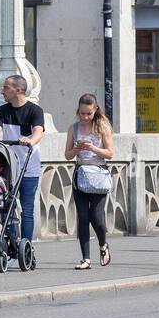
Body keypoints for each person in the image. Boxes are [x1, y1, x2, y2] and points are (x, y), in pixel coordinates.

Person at [0, 75, 44, 245]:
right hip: (9, 168)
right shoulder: (2, 111)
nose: (2, 91)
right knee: (6, 207)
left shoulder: (35, 111)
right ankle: (12, 243)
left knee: (26, 210)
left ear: (18, 90)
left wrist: (30, 141)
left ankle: (26, 246)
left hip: (29, 167)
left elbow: (38, 131)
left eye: (5, 87)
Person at [63, 94, 114, 270]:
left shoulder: (102, 127)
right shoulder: (73, 128)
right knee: (83, 217)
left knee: (97, 218)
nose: (85, 117)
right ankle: (86, 258)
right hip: (81, 175)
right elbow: (67, 155)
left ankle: (103, 245)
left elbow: (110, 153)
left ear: (95, 111)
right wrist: (77, 148)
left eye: (89, 113)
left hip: (99, 175)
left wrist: (93, 148)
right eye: (82, 113)